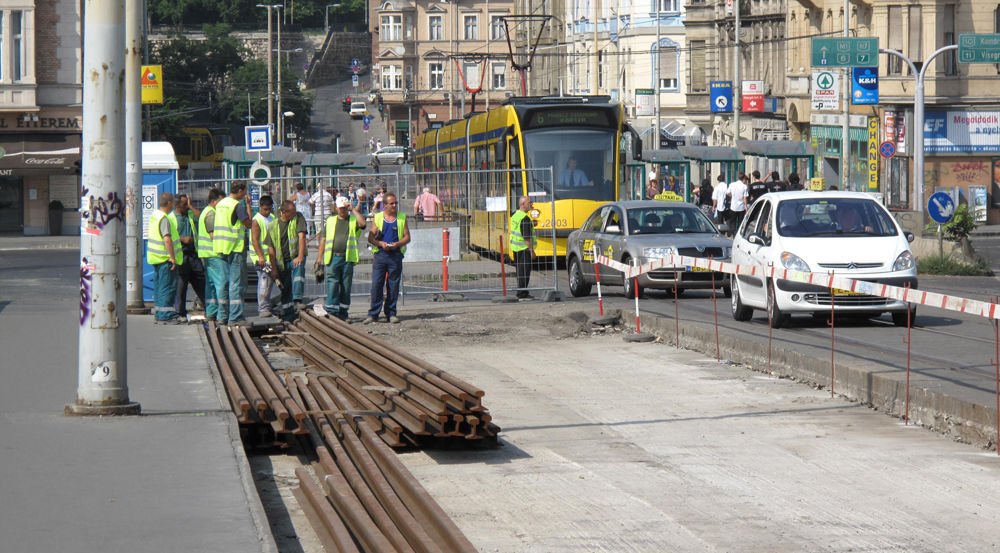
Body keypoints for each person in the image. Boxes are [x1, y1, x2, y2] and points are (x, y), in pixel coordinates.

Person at [316, 196, 367, 321]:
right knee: (332, 285)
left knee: (345, 286)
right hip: (333, 257)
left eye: (344, 208)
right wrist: (319, 258)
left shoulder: (352, 221)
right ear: (336, 208)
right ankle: (332, 312)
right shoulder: (331, 221)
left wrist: (353, 209)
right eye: (340, 208)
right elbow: (323, 240)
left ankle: (343, 313)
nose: (342, 211)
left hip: (347, 258)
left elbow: (363, 224)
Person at [364, 191, 411, 324]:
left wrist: (397, 244)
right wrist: (380, 243)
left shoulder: (401, 217)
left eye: (395, 203)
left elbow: (407, 237)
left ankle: (391, 313)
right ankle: (373, 314)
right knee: (377, 284)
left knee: (393, 285)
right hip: (381, 255)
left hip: (395, 255)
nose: (394, 205)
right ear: (384, 205)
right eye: (391, 203)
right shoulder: (378, 217)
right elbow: (371, 237)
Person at [212, 181, 252, 325]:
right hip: (235, 247)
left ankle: (222, 316)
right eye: (244, 191)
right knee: (236, 284)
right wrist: (248, 206)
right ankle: (235, 317)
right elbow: (248, 223)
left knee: (223, 282)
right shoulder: (237, 205)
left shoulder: (221, 204)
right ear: (240, 191)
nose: (245, 194)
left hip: (221, 247)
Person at [265, 201, 308, 321]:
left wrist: (300, 256)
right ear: (283, 212)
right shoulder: (273, 226)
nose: (295, 214)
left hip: (294, 256)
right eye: (292, 212)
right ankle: (288, 315)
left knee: (298, 274)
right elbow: (271, 249)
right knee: (286, 288)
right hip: (281, 262)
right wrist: (273, 269)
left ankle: (297, 299)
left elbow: (301, 237)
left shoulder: (298, 218)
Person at [147, 192, 182, 324]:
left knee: (159, 287)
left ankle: (160, 312)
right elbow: (167, 239)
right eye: (172, 202)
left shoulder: (155, 216)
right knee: (167, 287)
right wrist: (172, 258)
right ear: (168, 203)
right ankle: (165, 315)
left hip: (156, 258)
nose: (173, 205)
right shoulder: (164, 218)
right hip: (165, 259)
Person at [171, 194, 206, 320]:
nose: (187, 207)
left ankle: (210, 309)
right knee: (181, 286)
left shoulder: (190, 215)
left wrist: (191, 206)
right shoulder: (172, 218)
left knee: (202, 282)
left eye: (188, 204)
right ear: (177, 205)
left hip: (193, 255)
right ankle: (180, 312)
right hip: (181, 256)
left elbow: (202, 218)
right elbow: (167, 237)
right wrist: (182, 239)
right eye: (184, 204)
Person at [197, 188, 225, 323]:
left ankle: (211, 312)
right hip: (214, 254)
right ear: (214, 201)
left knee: (212, 285)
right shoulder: (211, 214)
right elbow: (214, 235)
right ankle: (221, 314)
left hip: (207, 254)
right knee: (221, 283)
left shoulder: (206, 212)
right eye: (221, 201)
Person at [249, 196, 276, 318]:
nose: (267, 211)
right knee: (264, 282)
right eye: (265, 209)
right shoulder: (257, 220)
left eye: (269, 209)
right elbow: (255, 240)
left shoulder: (272, 218)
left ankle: (267, 305)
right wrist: (260, 257)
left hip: (271, 257)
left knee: (269, 283)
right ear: (260, 207)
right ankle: (263, 308)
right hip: (261, 258)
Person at [509, 196, 537, 300]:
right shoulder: (525, 218)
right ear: (523, 204)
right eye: (529, 202)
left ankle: (523, 292)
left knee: (520, 271)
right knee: (525, 271)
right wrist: (531, 251)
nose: (531, 204)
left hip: (516, 248)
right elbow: (527, 238)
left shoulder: (516, 215)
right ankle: (522, 294)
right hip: (524, 249)